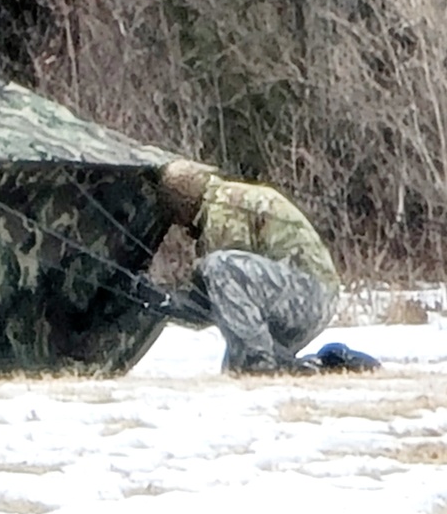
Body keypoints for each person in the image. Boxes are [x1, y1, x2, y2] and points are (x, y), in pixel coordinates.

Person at [139, 159, 342, 375]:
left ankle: (259, 361)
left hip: (308, 295)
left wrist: (172, 298)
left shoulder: (223, 207)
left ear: (181, 202)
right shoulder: (223, 201)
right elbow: (226, 303)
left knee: (219, 265)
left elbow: (225, 286)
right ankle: (262, 362)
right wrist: (164, 302)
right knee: (233, 370)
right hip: (301, 297)